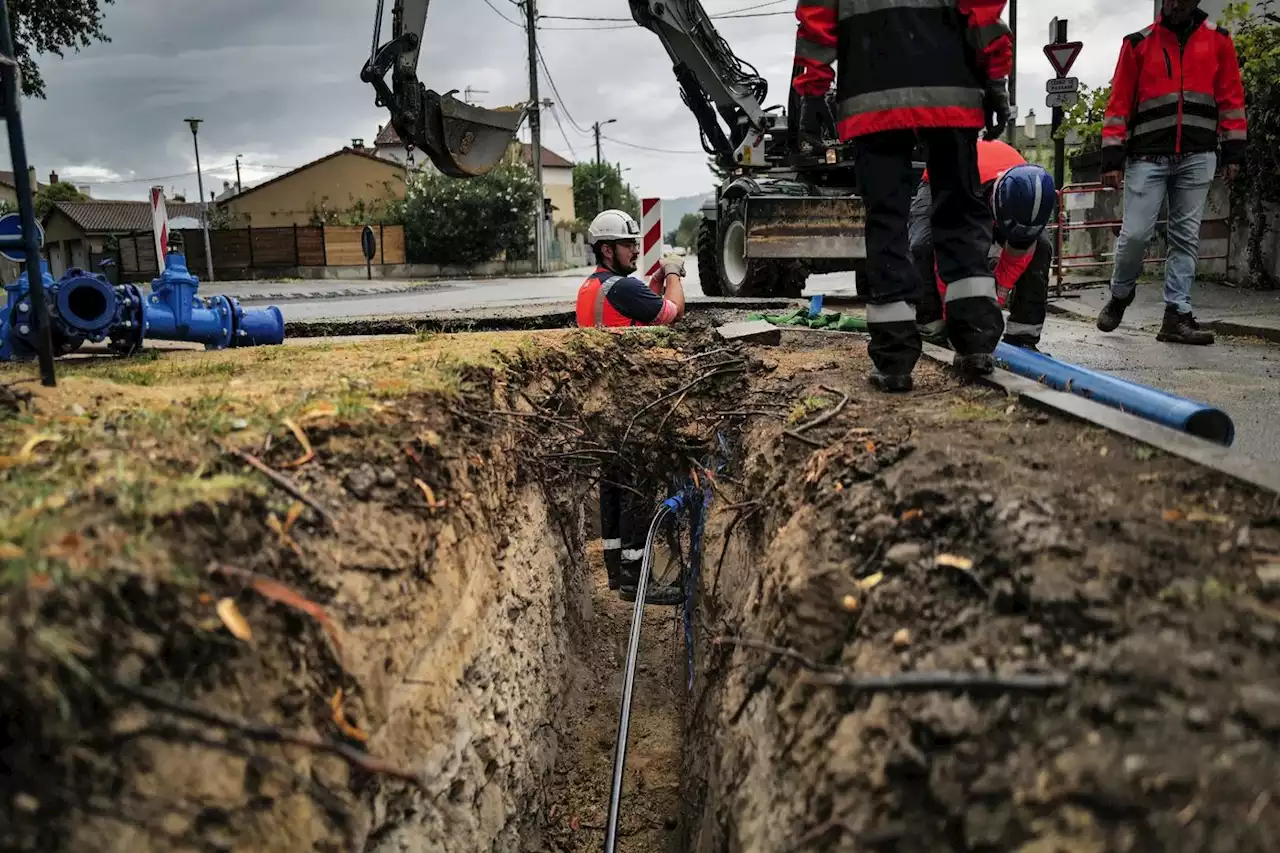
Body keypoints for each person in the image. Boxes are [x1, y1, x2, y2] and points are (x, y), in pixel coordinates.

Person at [792, 0, 1013, 392]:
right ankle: (976, 340)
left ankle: (894, 362)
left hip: (871, 94)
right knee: (960, 211)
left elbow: (818, 17)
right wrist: (996, 80)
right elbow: (983, 10)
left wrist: (813, 93)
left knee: (887, 223)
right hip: (951, 91)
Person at [1095, 0, 1247, 345]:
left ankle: (1176, 314)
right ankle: (1120, 295)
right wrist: (1112, 158)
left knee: (1185, 237)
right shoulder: (1137, 43)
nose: (1176, 4)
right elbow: (1119, 102)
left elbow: (1231, 99)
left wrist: (1234, 151)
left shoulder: (1219, 42)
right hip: (1147, 157)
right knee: (1135, 235)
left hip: (1198, 155)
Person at [577, 209, 688, 604]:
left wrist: (653, 283)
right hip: (630, 404)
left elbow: (635, 306)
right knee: (637, 490)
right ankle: (640, 581)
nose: (635, 250)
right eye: (627, 245)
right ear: (607, 249)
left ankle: (618, 573)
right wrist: (672, 274)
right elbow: (670, 313)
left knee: (613, 486)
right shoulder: (622, 288)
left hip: (604, 402)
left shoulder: (595, 286)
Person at [911, 141, 1056, 351]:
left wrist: (995, 301)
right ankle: (931, 328)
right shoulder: (960, 199)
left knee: (1041, 246)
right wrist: (956, 322)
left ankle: (1023, 335)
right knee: (922, 245)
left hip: (994, 176)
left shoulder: (1031, 198)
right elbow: (946, 260)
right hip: (943, 179)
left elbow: (1016, 260)